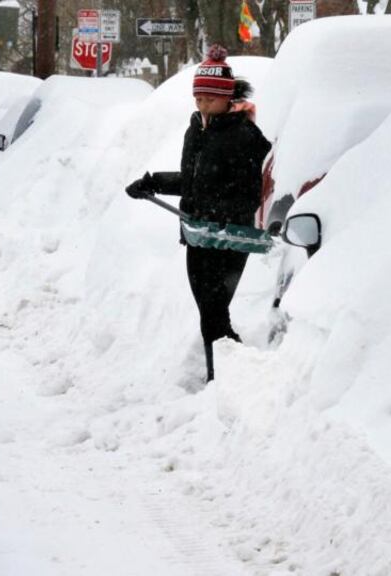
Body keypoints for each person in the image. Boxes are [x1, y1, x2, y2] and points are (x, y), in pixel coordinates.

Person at [126, 44, 271, 382]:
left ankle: (220, 377)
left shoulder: (245, 136)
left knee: (213, 309)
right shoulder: (197, 129)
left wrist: (216, 211)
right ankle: (226, 369)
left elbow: (252, 192)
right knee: (210, 309)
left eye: (209, 99)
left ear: (227, 96)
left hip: (228, 236)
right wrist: (152, 183)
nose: (203, 105)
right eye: (198, 99)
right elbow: (193, 181)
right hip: (197, 234)